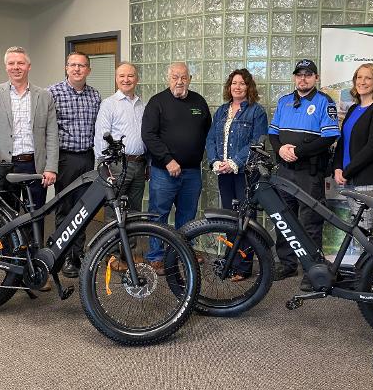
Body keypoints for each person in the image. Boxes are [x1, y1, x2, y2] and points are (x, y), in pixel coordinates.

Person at [0, 46, 58, 290]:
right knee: (7, 218)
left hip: (35, 165)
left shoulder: (44, 96)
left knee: (36, 218)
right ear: (6, 67)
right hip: (6, 165)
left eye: (20, 63)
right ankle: (9, 268)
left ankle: (35, 272)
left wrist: (51, 166)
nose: (16, 67)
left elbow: (52, 135)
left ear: (28, 66)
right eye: (11, 63)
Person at [268, 59, 340, 292]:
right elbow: (273, 133)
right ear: (295, 77)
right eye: (299, 75)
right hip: (285, 171)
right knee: (283, 218)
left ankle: (312, 270)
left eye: (308, 75)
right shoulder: (284, 102)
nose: (303, 78)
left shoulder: (324, 102)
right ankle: (287, 263)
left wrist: (297, 151)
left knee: (310, 222)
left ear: (316, 78)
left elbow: (329, 137)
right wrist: (279, 149)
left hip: (309, 173)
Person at [141, 62, 211, 275]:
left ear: (190, 78)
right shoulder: (157, 102)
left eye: (183, 77)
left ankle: (182, 252)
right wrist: (168, 160)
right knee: (158, 215)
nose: (179, 81)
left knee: (187, 217)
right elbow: (149, 135)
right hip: (164, 172)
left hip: (191, 172)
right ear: (168, 79)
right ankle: (156, 256)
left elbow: (206, 130)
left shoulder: (199, 101)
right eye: (175, 77)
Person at [206, 68, 268, 281]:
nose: (237, 87)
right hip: (223, 173)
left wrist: (234, 162)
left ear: (249, 87)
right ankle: (229, 261)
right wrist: (215, 161)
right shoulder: (222, 110)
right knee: (228, 218)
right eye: (234, 83)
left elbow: (256, 142)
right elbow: (211, 138)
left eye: (242, 83)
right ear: (229, 87)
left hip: (244, 173)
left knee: (245, 220)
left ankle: (243, 267)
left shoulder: (256, 111)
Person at [48, 51, 101, 278]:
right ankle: (61, 256)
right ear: (66, 68)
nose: (77, 69)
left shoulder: (95, 96)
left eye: (82, 66)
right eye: (73, 65)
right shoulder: (53, 93)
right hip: (65, 158)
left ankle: (77, 255)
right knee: (65, 209)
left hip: (87, 158)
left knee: (84, 208)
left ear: (88, 69)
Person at [94, 62, 147, 271]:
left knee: (133, 212)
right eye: (122, 76)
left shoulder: (142, 105)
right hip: (116, 165)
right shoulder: (109, 104)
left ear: (137, 79)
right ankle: (112, 256)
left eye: (130, 76)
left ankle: (129, 253)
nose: (126, 80)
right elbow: (101, 136)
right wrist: (104, 166)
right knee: (112, 212)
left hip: (138, 164)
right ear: (116, 79)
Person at [333, 63, 373, 230]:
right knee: (359, 232)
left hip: (367, 180)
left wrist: (347, 171)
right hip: (349, 178)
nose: (362, 81)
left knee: (364, 231)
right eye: (359, 77)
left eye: (368, 78)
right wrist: (337, 167)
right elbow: (343, 141)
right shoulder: (353, 109)